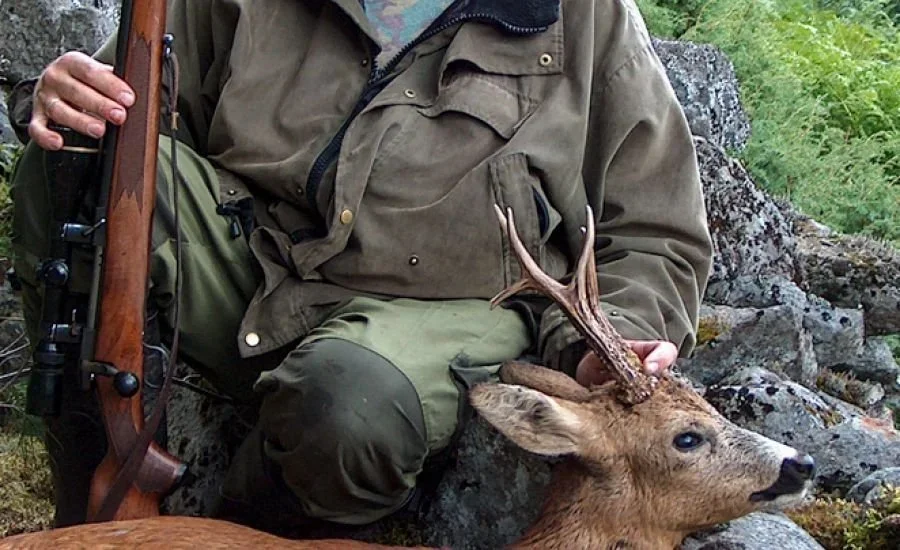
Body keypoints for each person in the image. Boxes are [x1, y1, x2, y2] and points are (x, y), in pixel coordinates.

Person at [7, 0, 713, 533]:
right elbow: (119, 101)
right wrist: (63, 98)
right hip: (253, 255)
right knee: (74, 162)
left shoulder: (587, 18)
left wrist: (606, 346)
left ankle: (249, 528)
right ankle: (89, 510)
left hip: (441, 306)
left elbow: (655, 230)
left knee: (351, 407)